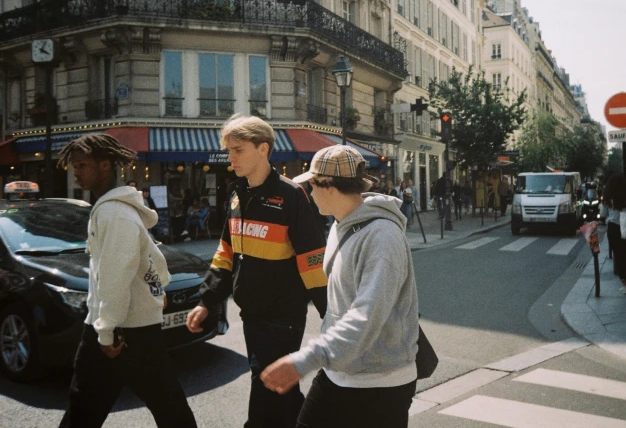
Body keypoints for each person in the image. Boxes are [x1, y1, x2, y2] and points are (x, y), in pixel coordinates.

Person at [261, 145, 418, 428]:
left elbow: (366, 316)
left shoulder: (383, 238)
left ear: (329, 186)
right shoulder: (339, 225)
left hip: (380, 382)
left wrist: (304, 359)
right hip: (338, 371)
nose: (309, 194)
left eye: (312, 185)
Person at [186, 114, 327, 428]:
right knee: (279, 388)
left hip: (283, 317)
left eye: (238, 150)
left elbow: (312, 259)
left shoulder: (291, 196)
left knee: (267, 386)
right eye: (229, 151)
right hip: (252, 314)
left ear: (263, 149)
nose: (230, 158)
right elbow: (227, 252)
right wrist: (206, 300)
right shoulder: (237, 195)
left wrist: (331, 314)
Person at [57, 134, 196, 428]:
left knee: (85, 408)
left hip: (120, 332)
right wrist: (158, 289)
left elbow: (115, 278)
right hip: (134, 328)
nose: (76, 172)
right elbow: (151, 256)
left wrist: (106, 332)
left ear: (105, 165)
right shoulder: (117, 210)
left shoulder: (113, 213)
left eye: (82, 165)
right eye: (74, 167)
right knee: (168, 406)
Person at [603, 174, 626, 294]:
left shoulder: (607, 197)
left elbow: (603, 214)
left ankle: (624, 282)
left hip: (614, 228)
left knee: (618, 255)